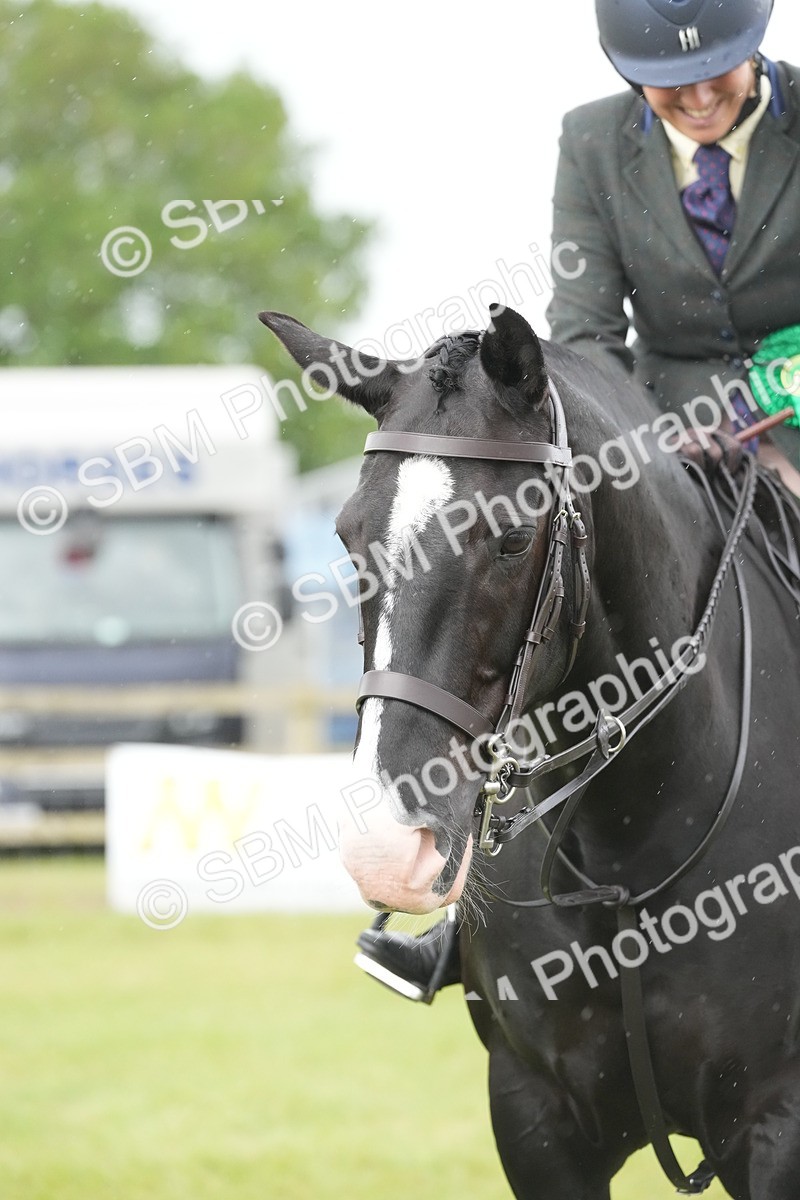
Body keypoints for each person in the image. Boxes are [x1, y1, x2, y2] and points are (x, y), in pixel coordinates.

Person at [354, 0, 800, 1001]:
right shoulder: (591, 140)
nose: (692, 98)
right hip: (662, 443)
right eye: (664, 81)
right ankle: (474, 925)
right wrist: (636, 449)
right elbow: (588, 330)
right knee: (544, 621)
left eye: (715, 74)